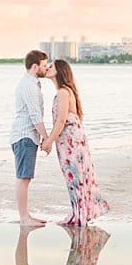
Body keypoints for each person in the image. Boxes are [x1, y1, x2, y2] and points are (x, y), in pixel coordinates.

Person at [41, 59, 109, 226]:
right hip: (70, 139)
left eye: (51, 66)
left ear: (60, 71)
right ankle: (79, 212)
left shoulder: (64, 92)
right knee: (75, 176)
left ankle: (80, 214)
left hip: (71, 141)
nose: (48, 68)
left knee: (75, 176)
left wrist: (48, 141)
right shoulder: (64, 92)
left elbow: (61, 121)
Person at [11, 50, 50, 227]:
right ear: (35, 67)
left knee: (26, 177)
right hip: (24, 136)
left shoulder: (32, 84)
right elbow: (35, 116)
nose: (46, 68)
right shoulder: (29, 86)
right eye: (43, 65)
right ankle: (24, 217)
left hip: (27, 136)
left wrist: (42, 138)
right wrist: (47, 138)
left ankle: (26, 215)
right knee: (23, 177)